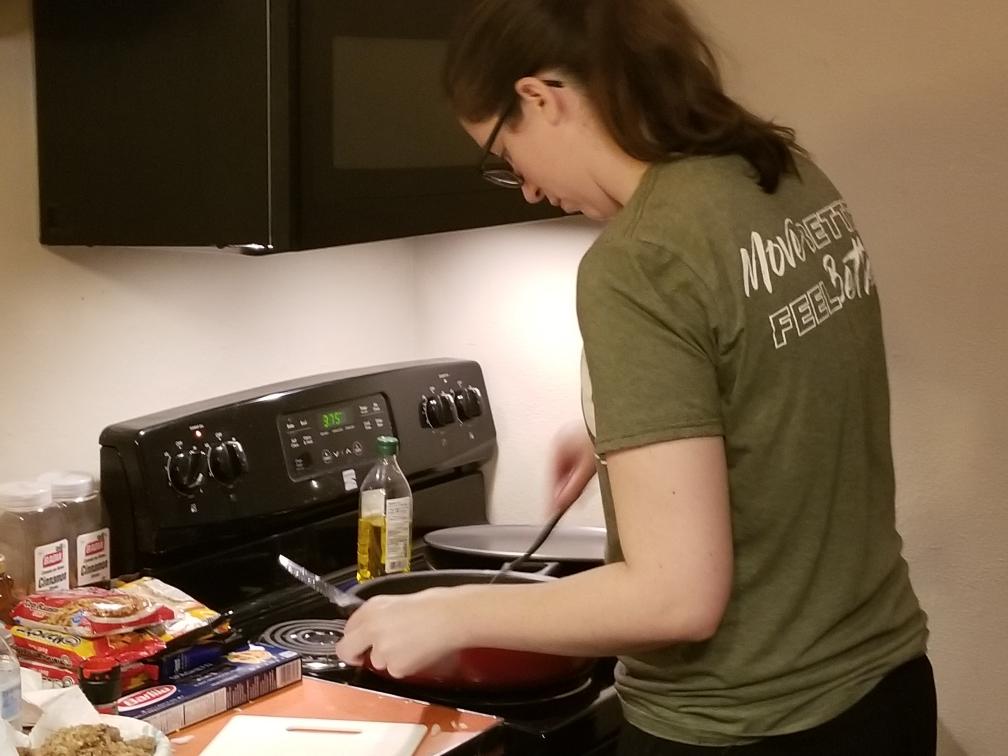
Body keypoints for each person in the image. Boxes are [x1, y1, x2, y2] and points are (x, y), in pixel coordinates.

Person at [334, 1, 936, 753]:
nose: (522, 186)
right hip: (884, 689)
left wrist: (449, 614)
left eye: (501, 152)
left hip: (746, 723)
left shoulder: (639, 261)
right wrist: (627, 424)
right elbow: (776, 385)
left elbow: (676, 597)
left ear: (540, 98)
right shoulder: (779, 173)